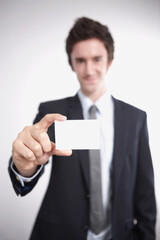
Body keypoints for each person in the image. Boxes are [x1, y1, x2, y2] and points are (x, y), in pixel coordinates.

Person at [8, 17, 156, 240]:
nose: (89, 70)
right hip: (61, 233)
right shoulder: (52, 113)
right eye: (80, 60)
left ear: (109, 61)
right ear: (71, 64)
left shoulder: (136, 117)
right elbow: (33, 159)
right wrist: (24, 167)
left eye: (97, 59)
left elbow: (144, 188)